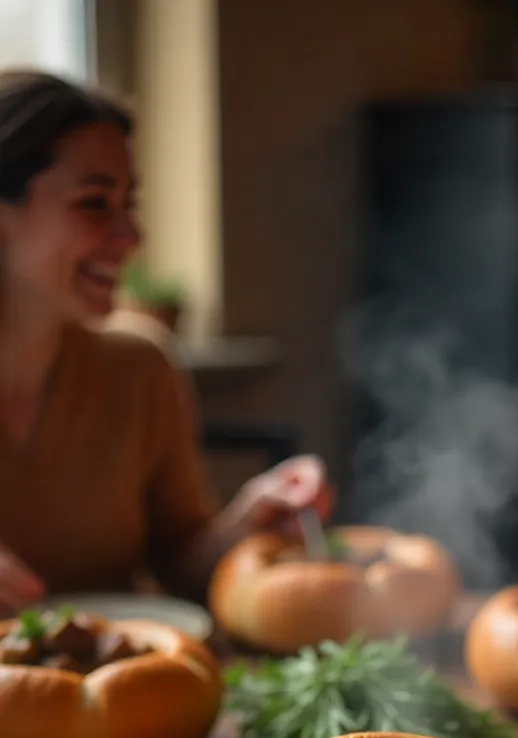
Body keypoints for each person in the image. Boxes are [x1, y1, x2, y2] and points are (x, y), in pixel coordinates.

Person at [0, 69, 330, 615]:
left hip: (124, 689)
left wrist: (248, 521)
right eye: (95, 204)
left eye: (129, 203)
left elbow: (184, 567)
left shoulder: (140, 366)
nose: (131, 237)